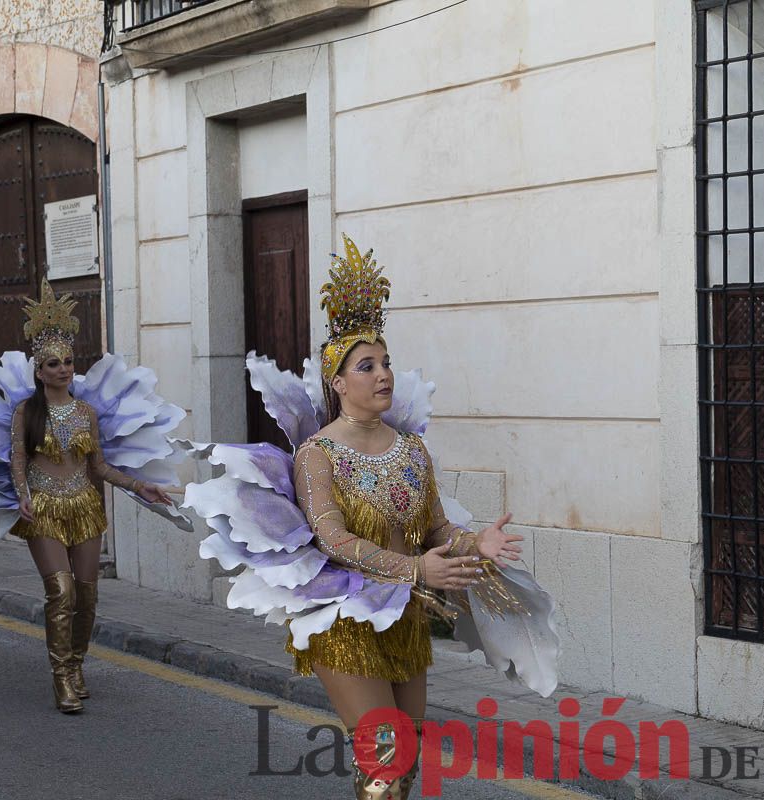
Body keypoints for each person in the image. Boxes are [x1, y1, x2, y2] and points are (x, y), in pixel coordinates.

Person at [182, 236, 559, 799]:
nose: (383, 374)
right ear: (338, 383)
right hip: (344, 618)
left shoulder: (412, 450)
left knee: (405, 759)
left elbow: (435, 528)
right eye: (367, 366)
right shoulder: (318, 454)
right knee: (384, 755)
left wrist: (473, 542)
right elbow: (331, 538)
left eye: (386, 363)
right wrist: (417, 570)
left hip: (404, 618)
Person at [0, 279, 188, 714]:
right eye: (53, 364)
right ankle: (62, 676)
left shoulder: (86, 413)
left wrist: (139, 486)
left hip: (85, 508)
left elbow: (99, 467)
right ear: (39, 371)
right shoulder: (26, 413)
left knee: (87, 596)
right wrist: (23, 496)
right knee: (61, 591)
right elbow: (17, 459)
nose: (63, 370)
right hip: (43, 510)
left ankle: (77, 663)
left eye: (68, 362)